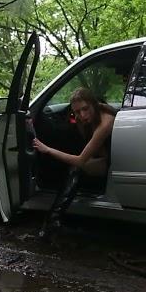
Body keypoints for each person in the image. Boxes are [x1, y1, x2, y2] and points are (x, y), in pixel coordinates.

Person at [33, 87, 116, 240]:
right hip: (101, 158)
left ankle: (52, 220)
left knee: (75, 168)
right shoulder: (87, 117)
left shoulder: (105, 123)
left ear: (93, 105)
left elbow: (80, 160)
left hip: (110, 165)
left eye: (85, 109)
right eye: (77, 112)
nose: (82, 115)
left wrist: (47, 150)